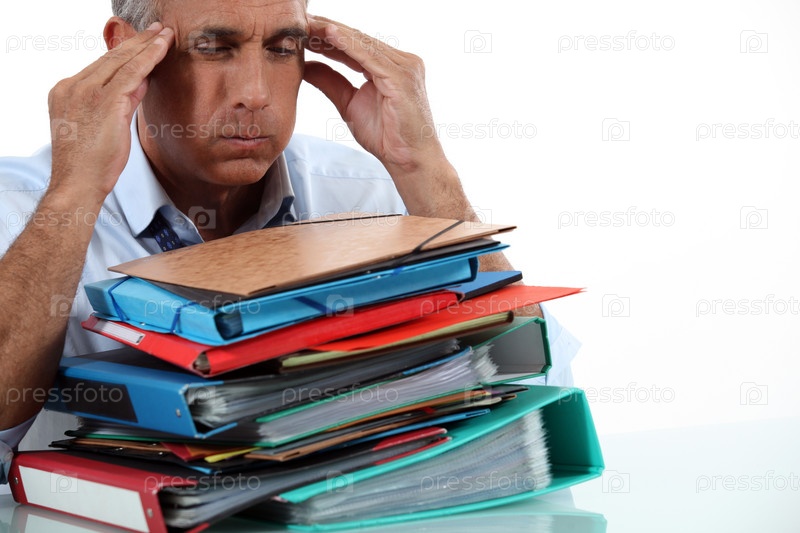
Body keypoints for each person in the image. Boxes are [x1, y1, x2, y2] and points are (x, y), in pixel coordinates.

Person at [0, 0, 580, 488]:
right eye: (214, 46)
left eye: (282, 48)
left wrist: (424, 169)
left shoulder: (365, 192)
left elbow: (535, 389)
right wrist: (74, 194)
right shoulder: (21, 209)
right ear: (125, 52)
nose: (256, 94)